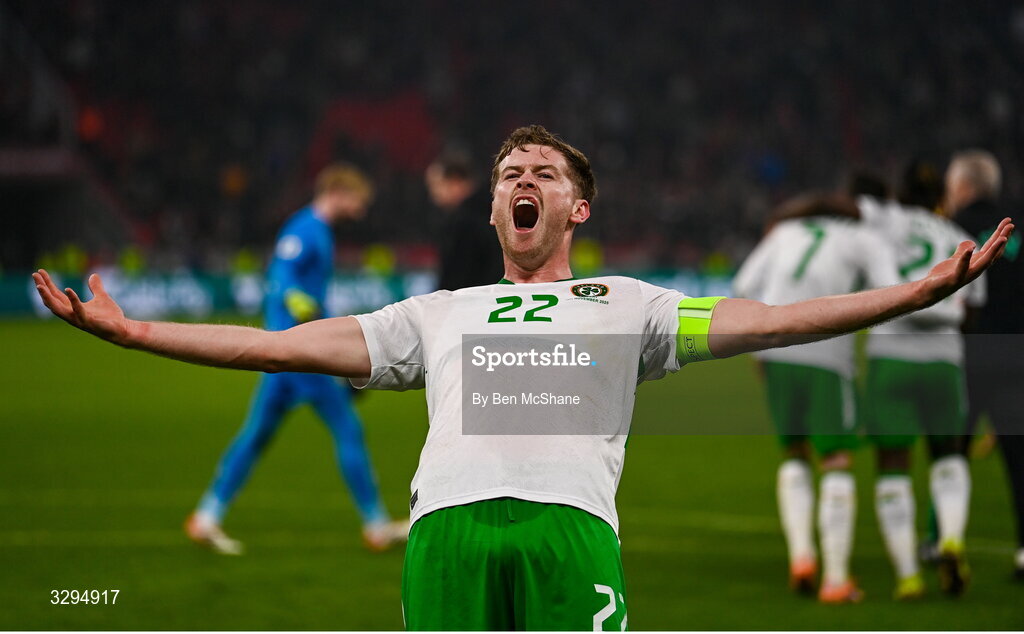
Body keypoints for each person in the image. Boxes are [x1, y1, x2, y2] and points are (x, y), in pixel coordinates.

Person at [32, 126, 1013, 630]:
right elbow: (267, 345)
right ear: (496, 209)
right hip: (445, 537)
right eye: (507, 172)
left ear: (575, 205)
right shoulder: (437, 315)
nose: (519, 178)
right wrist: (136, 332)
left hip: (569, 532)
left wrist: (901, 295)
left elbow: (774, 320)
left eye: (539, 168)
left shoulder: (630, 304)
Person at [184, 164, 407, 555]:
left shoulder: (315, 230)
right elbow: (282, 271)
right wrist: (293, 297)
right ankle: (375, 525)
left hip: (284, 354)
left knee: (256, 435)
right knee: (348, 429)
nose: (361, 209)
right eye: (358, 200)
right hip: (301, 353)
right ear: (338, 192)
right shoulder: (307, 229)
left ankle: (207, 514)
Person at [733, 199, 900, 603]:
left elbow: (742, 286)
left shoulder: (786, 232)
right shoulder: (862, 237)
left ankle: (802, 558)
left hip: (774, 349)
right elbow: (891, 290)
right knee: (837, 458)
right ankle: (836, 579)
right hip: (826, 354)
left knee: (794, 452)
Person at [857, 160, 986, 598]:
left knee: (893, 464)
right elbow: (972, 308)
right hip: (943, 358)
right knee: (948, 455)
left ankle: (908, 574)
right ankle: (950, 538)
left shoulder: (883, 227)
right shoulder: (954, 235)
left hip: (891, 354)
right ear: (940, 198)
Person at [945, 150, 1024, 580]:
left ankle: (943, 543)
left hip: (967, 355)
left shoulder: (949, 229)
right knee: (1020, 457)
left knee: (951, 452)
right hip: (1015, 356)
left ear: (961, 187)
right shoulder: (1018, 228)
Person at [425, 149, 504, 290]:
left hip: (473, 302)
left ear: (454, 181)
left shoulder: (464, 222)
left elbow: (455, 278)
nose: (433, 194)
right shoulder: (497, 205)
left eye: (436, 185)